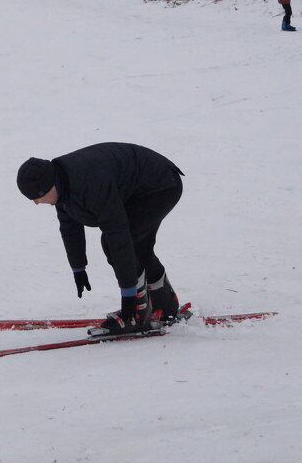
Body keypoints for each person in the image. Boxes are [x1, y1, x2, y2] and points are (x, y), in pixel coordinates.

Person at [17, 143, 185, 335]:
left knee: (119, 243)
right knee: (140, 247)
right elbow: (70, 227)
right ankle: (166, 304)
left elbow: (118, 235)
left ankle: (138, 314)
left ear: (49, 186)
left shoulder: (90, 183)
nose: (36, 202)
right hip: (144, 185)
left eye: (37, 197)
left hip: (161, 186)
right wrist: (78, 268)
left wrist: (129, 295)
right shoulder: (61, 180)